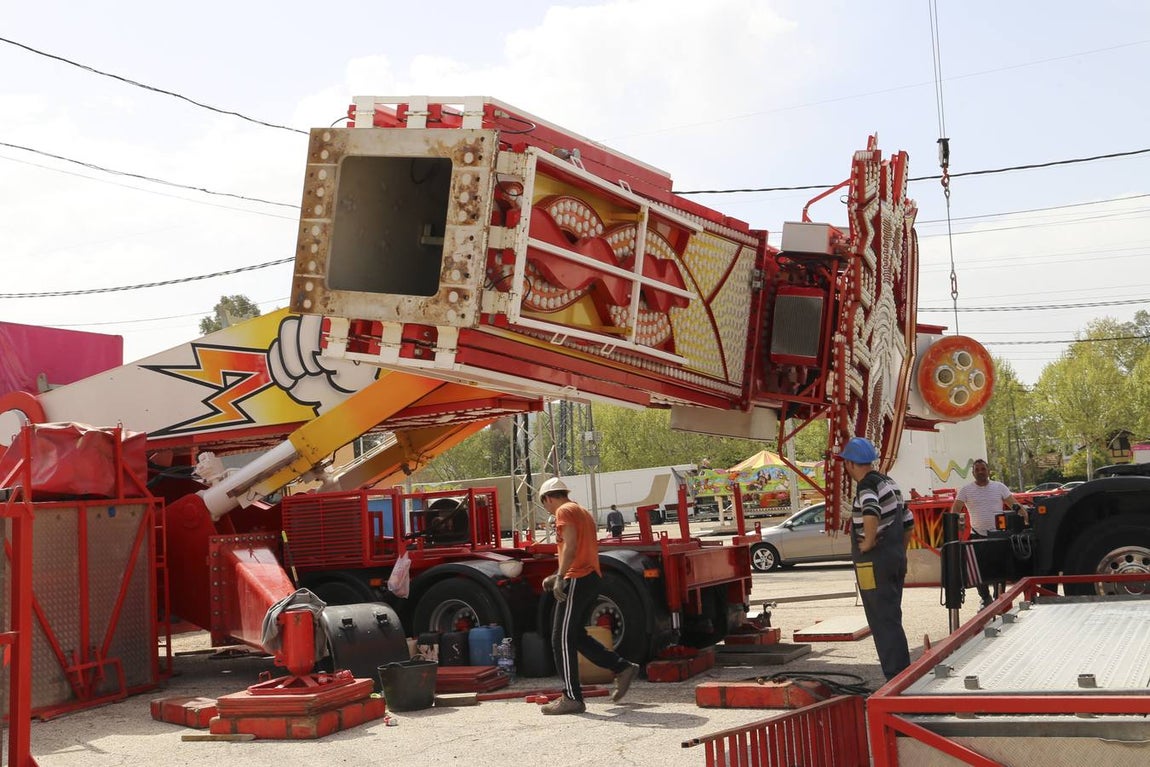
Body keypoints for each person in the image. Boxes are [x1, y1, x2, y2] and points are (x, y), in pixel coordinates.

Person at [538, 477, 640, 715]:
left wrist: (561, 577)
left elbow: (571, 546)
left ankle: (572, 697)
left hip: (578, 578)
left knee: (560, 639)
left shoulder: (563, 511)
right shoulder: (581, 511)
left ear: (548, 498)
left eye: (545, 505)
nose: (548, 509)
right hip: (589, 576)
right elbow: (577, 549)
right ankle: (622, 667)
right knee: (576, 636)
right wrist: (557, 575)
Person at [837, 436, 911, 682]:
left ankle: (896, 679)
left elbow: (871, 510)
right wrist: (901, 551)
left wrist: (868, 541)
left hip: (873, 563)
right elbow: (908, 520)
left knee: (881, 620)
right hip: (894, 558)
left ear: (849, 463)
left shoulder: (867, 485)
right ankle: (902, 674)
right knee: (892, 616)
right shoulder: (889, 482)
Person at [949, 459, 1025, 608]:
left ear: (988, 471)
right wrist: (954, 522)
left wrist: (1024, 515)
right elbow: (956, 508)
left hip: (997, 535)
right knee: (977, 570)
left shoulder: (999, 487)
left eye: (983, 469)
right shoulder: (965, 490)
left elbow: (1013, 504)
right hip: (977, 535)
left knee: (1000, 569)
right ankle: (985, 598)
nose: (980, 472)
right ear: (973, 473)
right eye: (977, 470)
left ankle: (1000, 597)